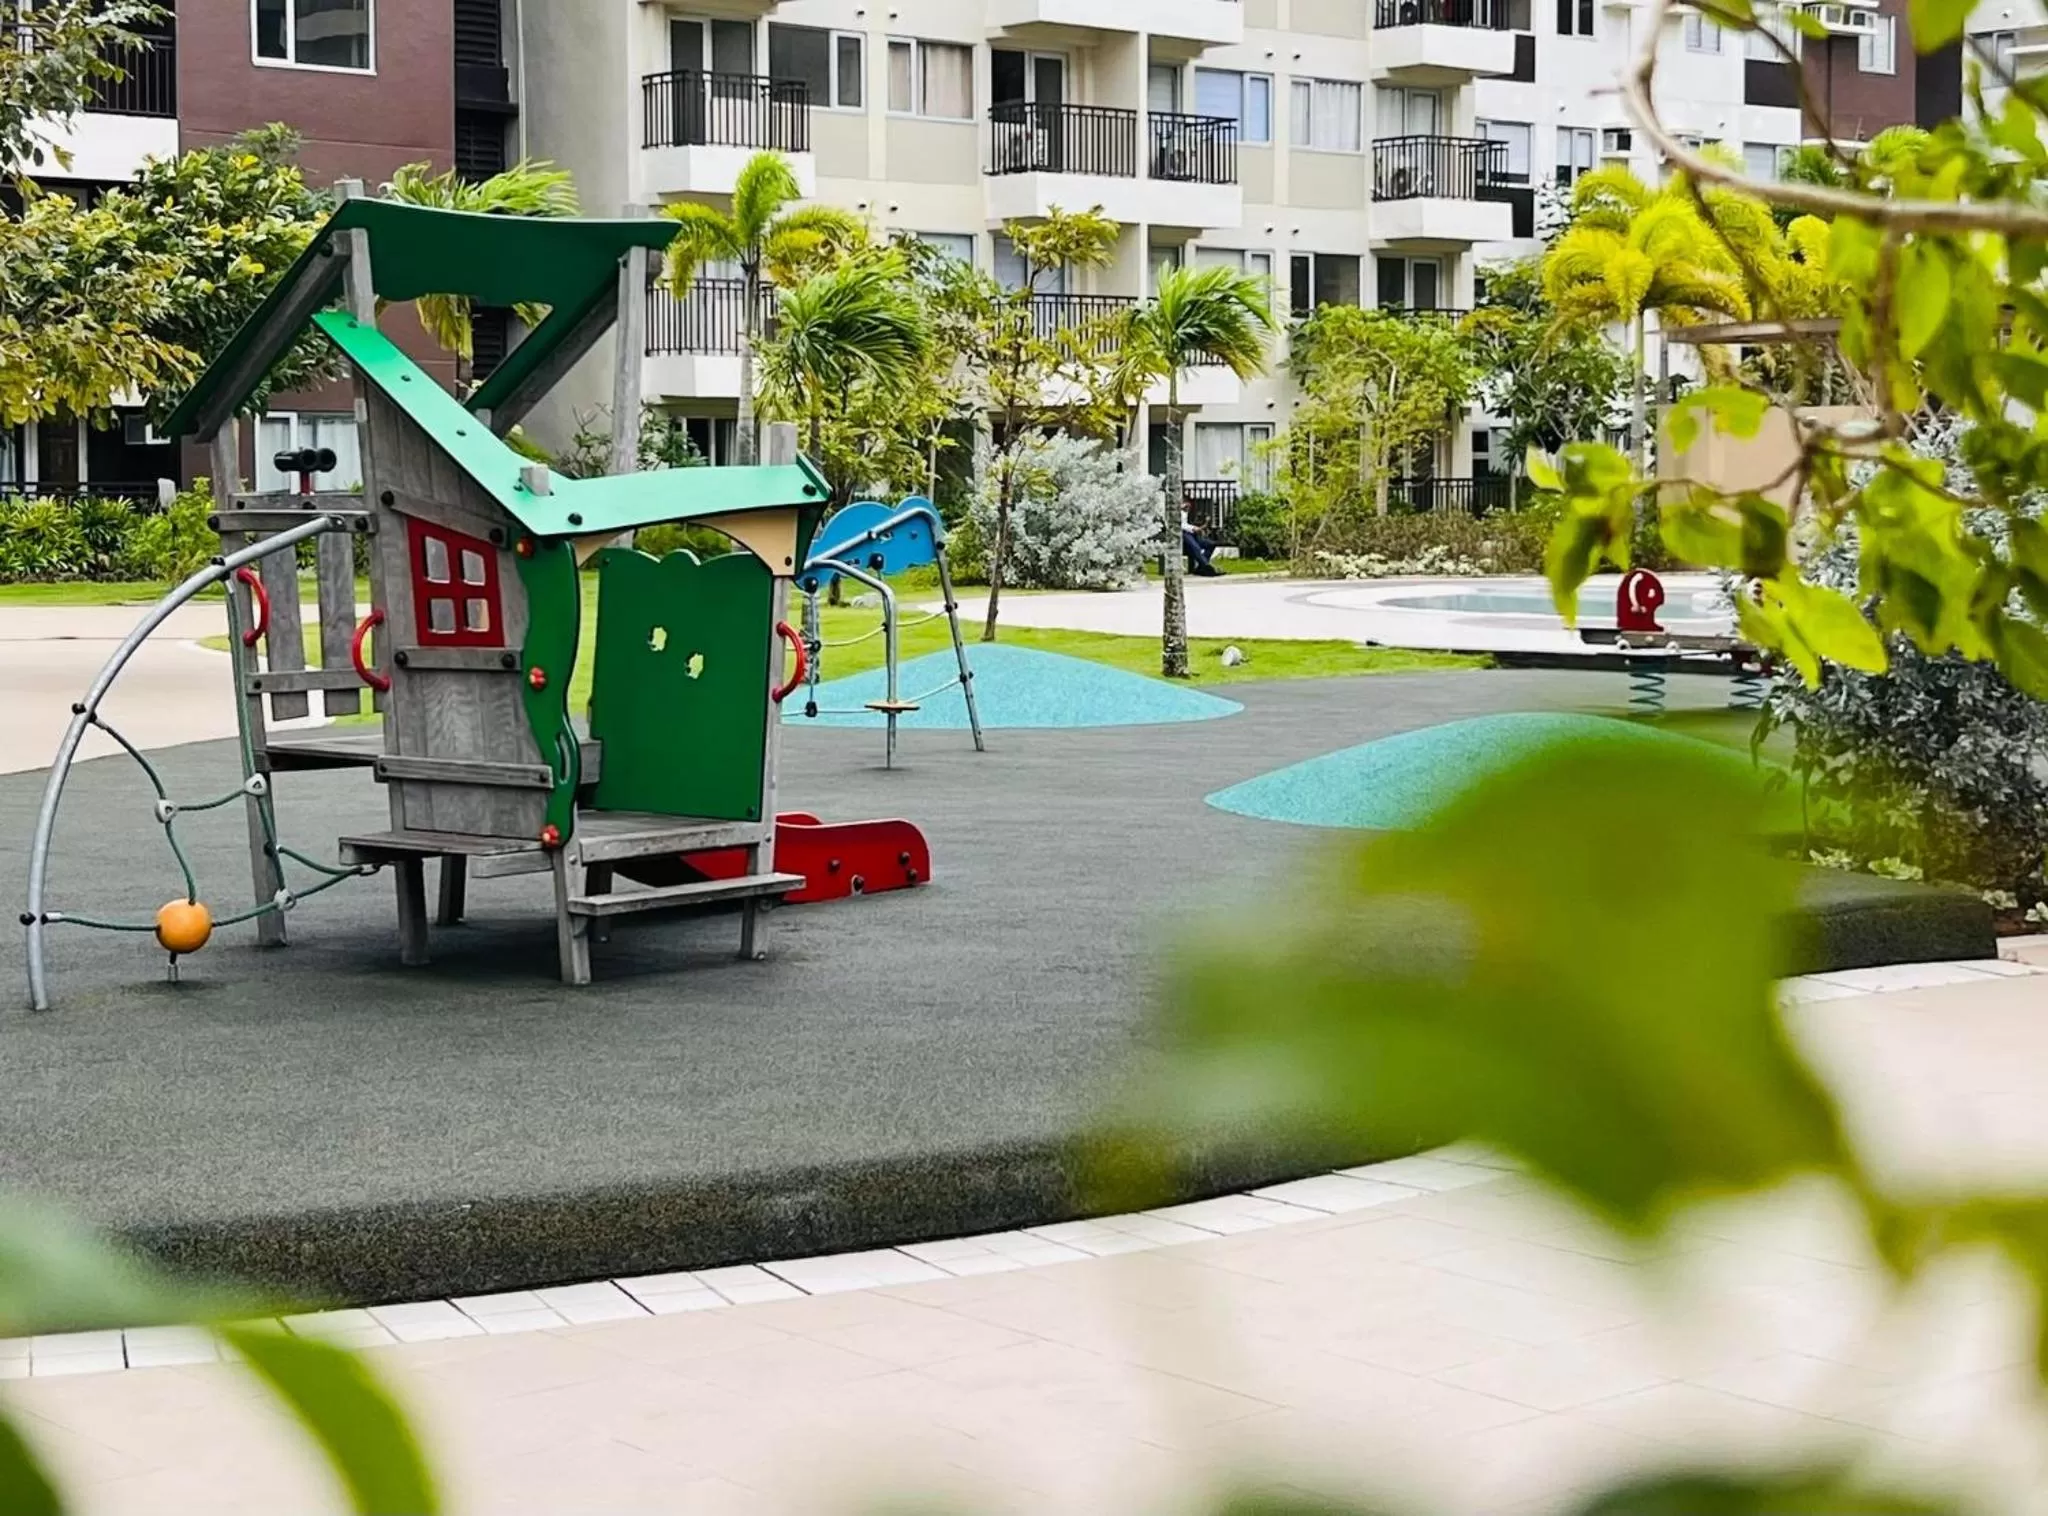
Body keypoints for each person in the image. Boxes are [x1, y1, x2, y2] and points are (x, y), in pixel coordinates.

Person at [1180, 502, 1223, 578]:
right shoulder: (1175, 511)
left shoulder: (1189, 512)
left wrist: (1203, 525)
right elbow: (1180, 525)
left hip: (1192, 534)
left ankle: (1201, 568)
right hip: (1183, 535)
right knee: (1196, 547)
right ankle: (1207, 567)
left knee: (1210, 544)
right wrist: (1193, 528)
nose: (1187, 507)